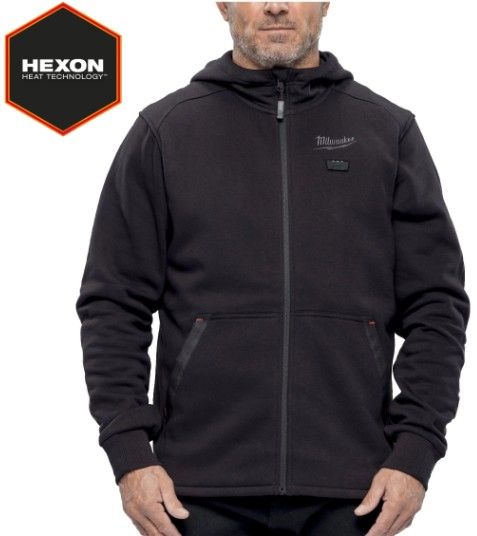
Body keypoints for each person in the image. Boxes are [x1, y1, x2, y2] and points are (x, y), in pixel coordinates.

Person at [75, 2, 470, 535]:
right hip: (195, 490)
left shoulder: (387, 131)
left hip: (355, 489)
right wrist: (129, 453)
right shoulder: (166, 130)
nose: (276, 5)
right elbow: (113, 302)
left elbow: (436, 305)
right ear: (223, 4)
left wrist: (417, 449)